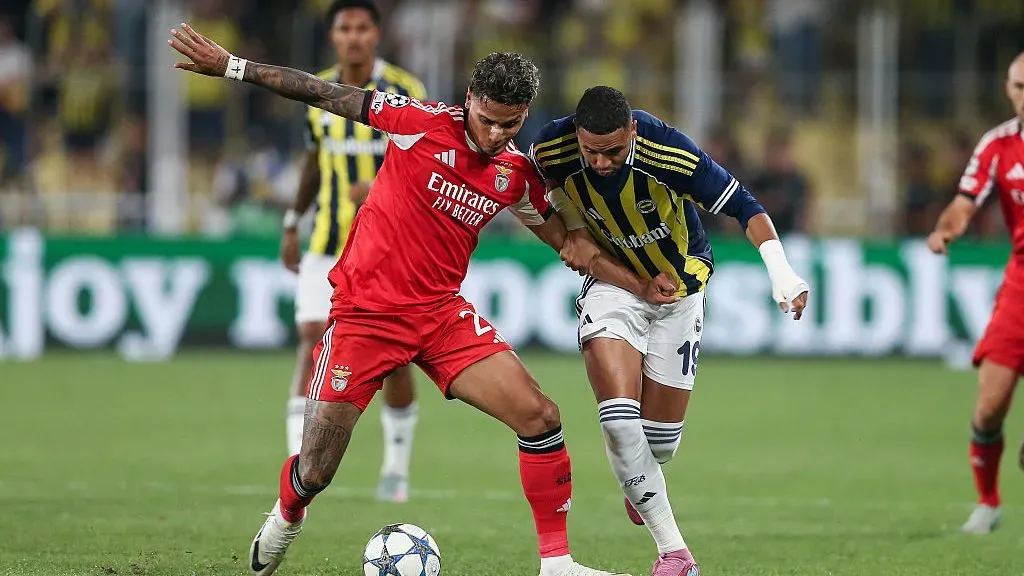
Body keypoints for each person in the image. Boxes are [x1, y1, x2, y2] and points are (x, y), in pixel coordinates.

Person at [169, 23, 670, 576]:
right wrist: (234, 67)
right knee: (315, 470)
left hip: (440, 316)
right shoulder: (416, 124)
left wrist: (640, 282)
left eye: (511, 125)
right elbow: (318, 91)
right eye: (488, 120)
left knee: (541, 416)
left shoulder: (514, 175)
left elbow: (568, 241)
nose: (498, 135)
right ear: (468, 102)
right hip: (366, 315)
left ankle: (557, 563)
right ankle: (289, 512)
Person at [531, 86, 810, 576]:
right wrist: (571, 226)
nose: (600, 163)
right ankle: (675, 554)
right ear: (577, 135)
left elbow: (746, 205)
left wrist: (782, 273)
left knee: (658, 445)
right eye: (591, 151)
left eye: (614, 151)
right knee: (618, 420)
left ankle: (642, 482)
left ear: (633, 132)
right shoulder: (551, 146)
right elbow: (532, 184)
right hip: (613, 284)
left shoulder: (668, 150)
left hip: (679, 290)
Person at [278, 0, 427, 504]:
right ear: (333, 37)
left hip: (387, 246)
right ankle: (296, 467)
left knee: (394, 357)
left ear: (377, 34)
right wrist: (291, 223)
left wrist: (383, 187)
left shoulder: (407, 92)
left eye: (363, 28)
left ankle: (395, 469)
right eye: (345, 28)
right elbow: (314, 160)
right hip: (325, 240)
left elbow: (425, 164)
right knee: (310, 338)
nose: (355, 37)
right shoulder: (316, 91)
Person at [927, 51, 1024, 535]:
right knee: (989, 407)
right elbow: (965, 202)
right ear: (1009, 89)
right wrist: (947, 230)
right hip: (1020, 285)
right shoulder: (999, 145)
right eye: (1018, 86)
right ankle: (988, 502)